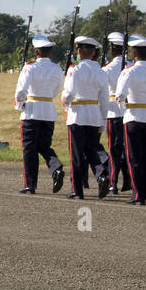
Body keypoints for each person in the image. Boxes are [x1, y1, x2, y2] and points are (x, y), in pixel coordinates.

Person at [60, 35, 111, 199]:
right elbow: (104, 99)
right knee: (91, 152)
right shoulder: (101, 71)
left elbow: (69, 93)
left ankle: (77, 189)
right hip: (94, 115)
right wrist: (103, 120)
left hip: (78, 115)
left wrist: (65, 103)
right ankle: (101, 174)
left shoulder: (75, 69)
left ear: (80, 51)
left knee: (76, 154)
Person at [13, 34, 65, 194]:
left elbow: (21, 91)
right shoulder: (57, 68)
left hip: (32, 111)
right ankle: (55, 167)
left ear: (37, 52)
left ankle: (31, 184)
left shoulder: (30, 67)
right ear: (49, 52)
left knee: (29, 149)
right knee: (44, 146)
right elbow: (57, 90)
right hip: (48, 110)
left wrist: (20, 105)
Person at [115, 35, 146, 204]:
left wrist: (123, 108)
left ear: (134, 52)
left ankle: (138, 194)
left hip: (133, 116)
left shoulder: (129, 71)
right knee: (145, 155)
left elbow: (120, 95)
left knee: (134, 158)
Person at [101, 32, 130, 194]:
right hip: (127, 112)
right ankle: (127, 180)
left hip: (113, 112)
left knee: (114, 150)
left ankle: (113, 181)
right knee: (126, 148)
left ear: (112, 48)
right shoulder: (130, 65)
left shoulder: (107, 69)